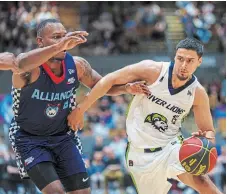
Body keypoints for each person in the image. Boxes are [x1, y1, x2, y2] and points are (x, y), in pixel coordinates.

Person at [9, 18, 149, 194]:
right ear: (40, 42)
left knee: (83, 192)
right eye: (55, 37)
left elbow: (104, 85)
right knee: (55, 192)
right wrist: (58, 46)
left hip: (63, 137)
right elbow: (19, 63)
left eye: (63, 36)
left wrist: (126, 88)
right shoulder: (30, 68)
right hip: (30, 139)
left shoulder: (77, 65)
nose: (61, 41)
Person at [68, 38, 223, 194]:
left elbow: (208, 131)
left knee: (202, 181)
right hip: (140, 155)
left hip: (171, 148)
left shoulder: (198, 93)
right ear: (174, 57)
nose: (183, 65)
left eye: (190, 61)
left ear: (199, 62)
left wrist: (205, 141)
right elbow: (109, 80)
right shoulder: (152, 70)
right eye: (180, 59)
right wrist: (81, 109)